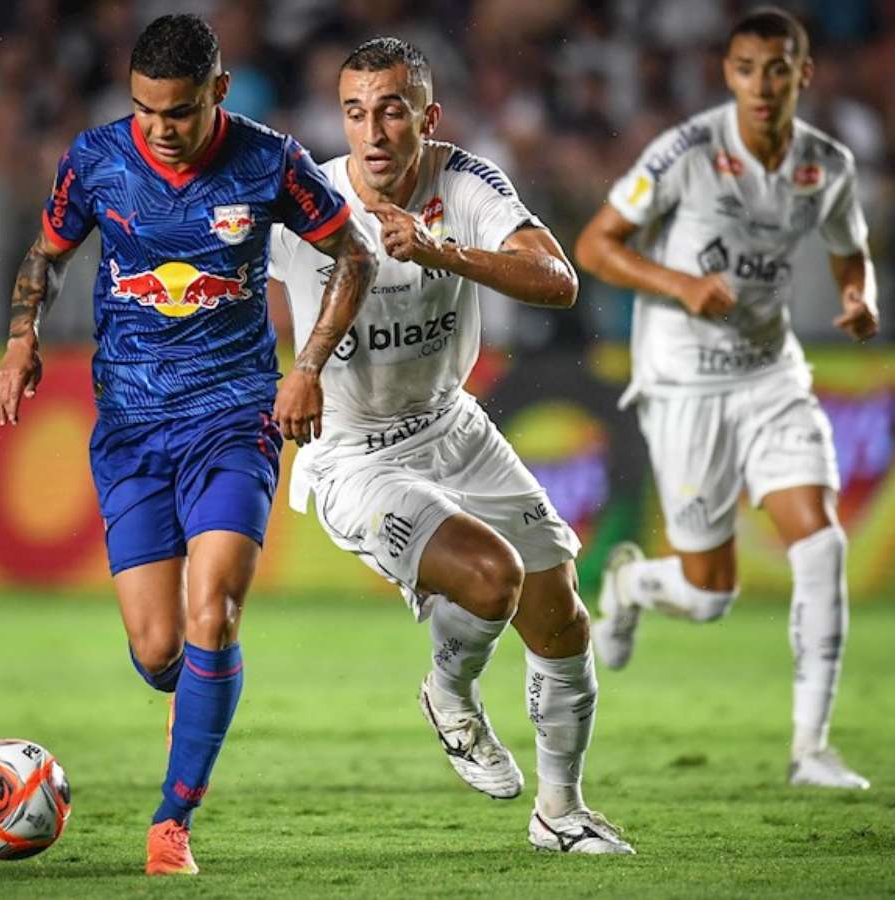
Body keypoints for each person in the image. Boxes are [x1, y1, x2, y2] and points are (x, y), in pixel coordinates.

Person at [0, 14, 376, 875]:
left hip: (235, 419)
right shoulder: (96, 159)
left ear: (218, 93)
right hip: (130, 428)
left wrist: (308, 366)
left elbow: (353, 257)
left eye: (180, 112)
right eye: (146, 111)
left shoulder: (269, 161)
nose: (161, 130)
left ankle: (173, 823)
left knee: (217, 612)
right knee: (161, 650)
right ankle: (199, 685)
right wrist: (21, 340)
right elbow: (47, 253)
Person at [268, 37, 632, 854]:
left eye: (393, 111)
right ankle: (448, 692)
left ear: (427, 119)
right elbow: (227, 283)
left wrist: (440, 249)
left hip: (452, 425)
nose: (374, 132)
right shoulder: (309, 199)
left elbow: (559, 280)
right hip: (354, 453)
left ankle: (561, 814)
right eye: (356, 112)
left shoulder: (465, 182)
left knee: (561, 615)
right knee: (492, 577)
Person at [575, 6, 877, 790]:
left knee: (822, 545)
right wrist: (679, 283)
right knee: (709, 596)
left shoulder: (827, 164)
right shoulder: (687, 151)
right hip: (685, 382)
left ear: (803, 74)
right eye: (747, 70)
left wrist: (859, 297)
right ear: (728, 75)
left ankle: (812, 750)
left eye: (778, 69)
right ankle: (633, 585)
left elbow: (850, 251)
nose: (762, 86)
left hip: (772, 374)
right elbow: (594, 245)